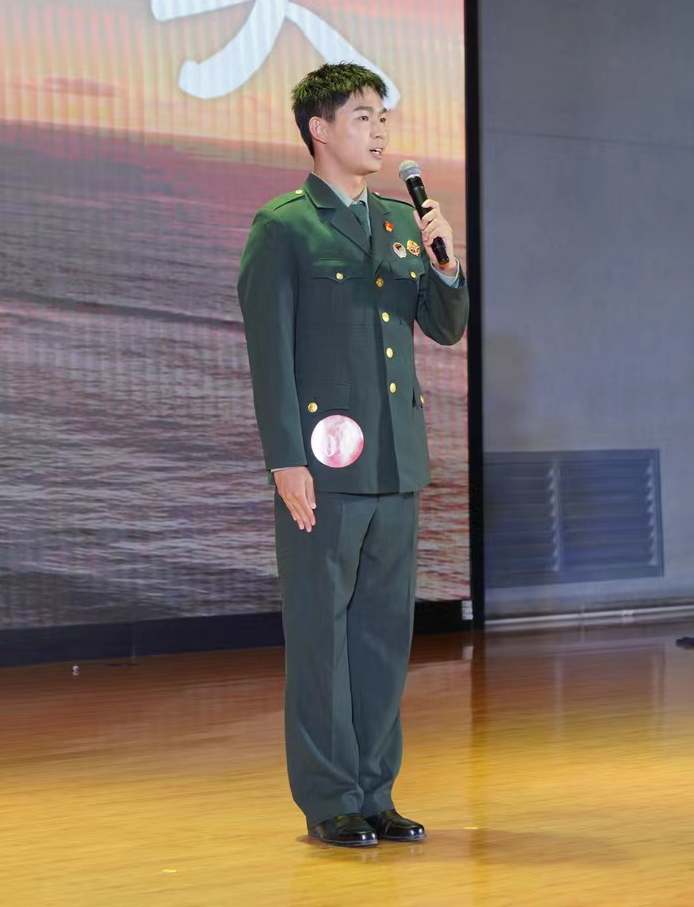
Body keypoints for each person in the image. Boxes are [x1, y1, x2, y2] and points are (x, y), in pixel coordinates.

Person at [237, 62, 469, 848]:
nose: (379, 130)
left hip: (396, 462)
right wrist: (286, 459)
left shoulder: (402, 224)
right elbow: (271, 355)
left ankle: (376, 792)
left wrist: (445, 265)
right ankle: (330, 797)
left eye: (382, 117)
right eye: (363, 116)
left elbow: (444, 328)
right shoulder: (284, 227)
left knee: (381, 636)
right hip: (323, 467)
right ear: (320, 129)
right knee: (321, 636)